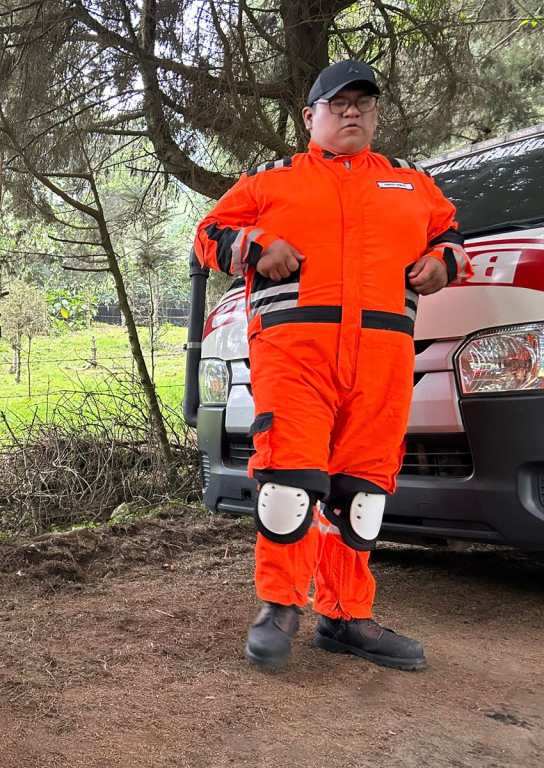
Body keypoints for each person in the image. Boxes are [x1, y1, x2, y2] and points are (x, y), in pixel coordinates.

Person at [194, 60, 471, 672]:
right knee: (289, 481)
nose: (351, 113)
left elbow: (451, 236)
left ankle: (347, 618)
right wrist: (255, 247)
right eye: (337, 103)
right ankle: (279, 608)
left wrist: (444, 262)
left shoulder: (410, 183)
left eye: (363, 104)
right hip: (296, 356)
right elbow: (208, 234)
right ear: (309, 116)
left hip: (382, 359)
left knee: (363, 491)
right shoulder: (270, 182)